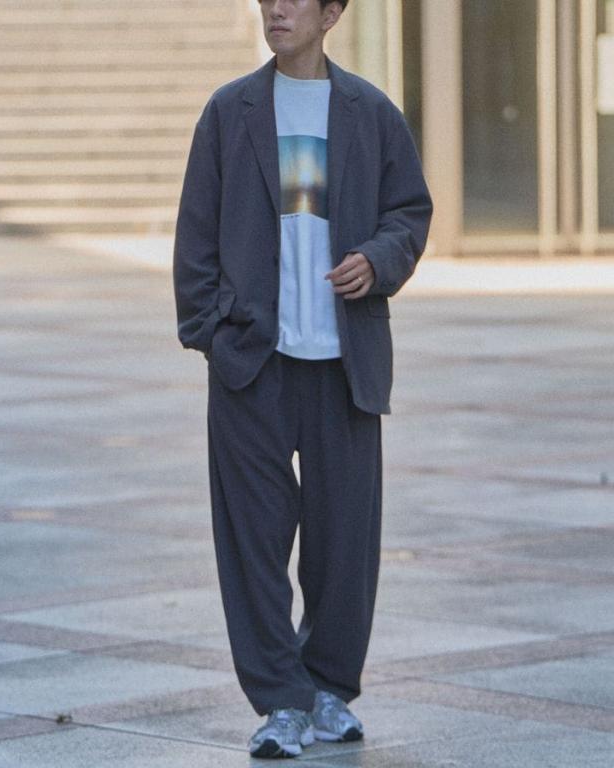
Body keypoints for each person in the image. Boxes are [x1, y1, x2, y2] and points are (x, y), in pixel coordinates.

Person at [172, 0, 433, 759]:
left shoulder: (371, 114)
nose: (276, 9)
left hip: (344, 365)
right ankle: (280, 701)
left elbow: (409, 213)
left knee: (344, 541)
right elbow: (195, 234)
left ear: (332, 13)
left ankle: (328, 688)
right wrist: (213, 335)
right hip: (254, 364)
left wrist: (378, 260)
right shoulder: (229, 114)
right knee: (253, 543)